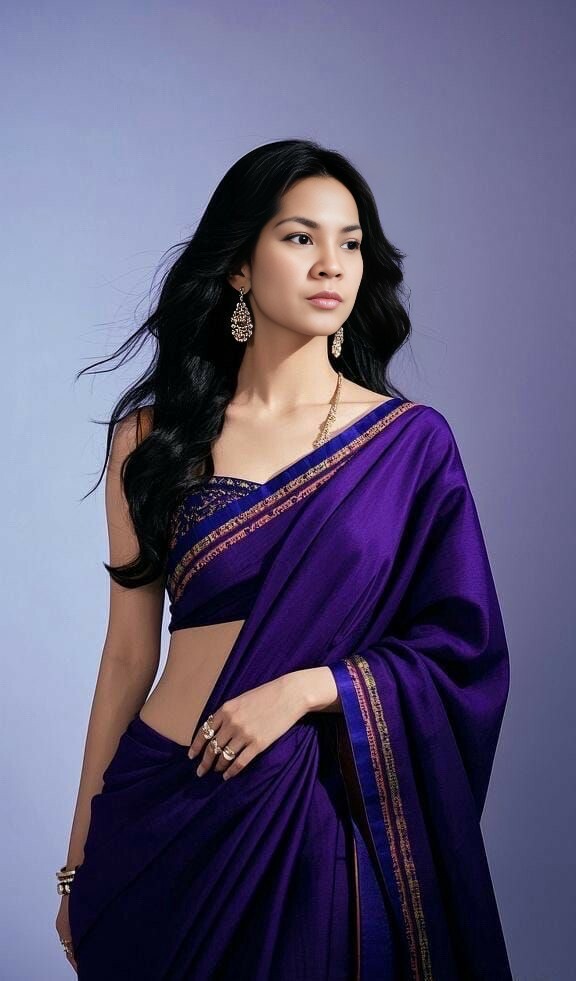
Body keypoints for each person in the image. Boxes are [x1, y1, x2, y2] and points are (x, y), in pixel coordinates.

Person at [55, 139, 512, 979]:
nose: (331, 263)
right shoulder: (152, 440)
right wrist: (77, 854)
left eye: (350, 242)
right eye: (301, 237)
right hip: (160, 814)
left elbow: (463, 650)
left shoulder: (408, 445)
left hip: (312, 820)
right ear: (239, 265)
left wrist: (309, 688)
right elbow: (126, 655)